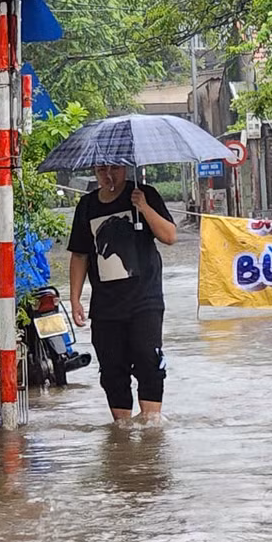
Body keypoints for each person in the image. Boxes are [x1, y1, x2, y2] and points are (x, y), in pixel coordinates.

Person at [68, 159, 177, 425]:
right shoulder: (87, 206)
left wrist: (144, 207)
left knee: (148, 359)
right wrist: (75, 298)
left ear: (125, 168)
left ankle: (151, 425)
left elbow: (169, 236)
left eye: (114, 168)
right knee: (112, 369)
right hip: (106, 305)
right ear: (95, 172)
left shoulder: (144, 194)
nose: (108, 175)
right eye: (101, 170)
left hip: (145, 299)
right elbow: (80, 255)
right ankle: (122, 430)